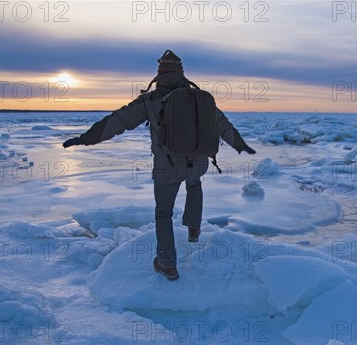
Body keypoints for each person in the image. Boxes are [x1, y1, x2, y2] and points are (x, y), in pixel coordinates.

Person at [62, 50, 256, 281]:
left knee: (163, 213)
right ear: (181, 72)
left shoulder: (152, 99)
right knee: (194, 185)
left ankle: (167, 263)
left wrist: (86, 138)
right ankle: (194, 230)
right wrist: (240, 144)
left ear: (160, 73)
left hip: (168, 165)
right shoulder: (199, 97)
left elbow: (117, 121)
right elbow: (223, 125)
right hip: (199, 162)